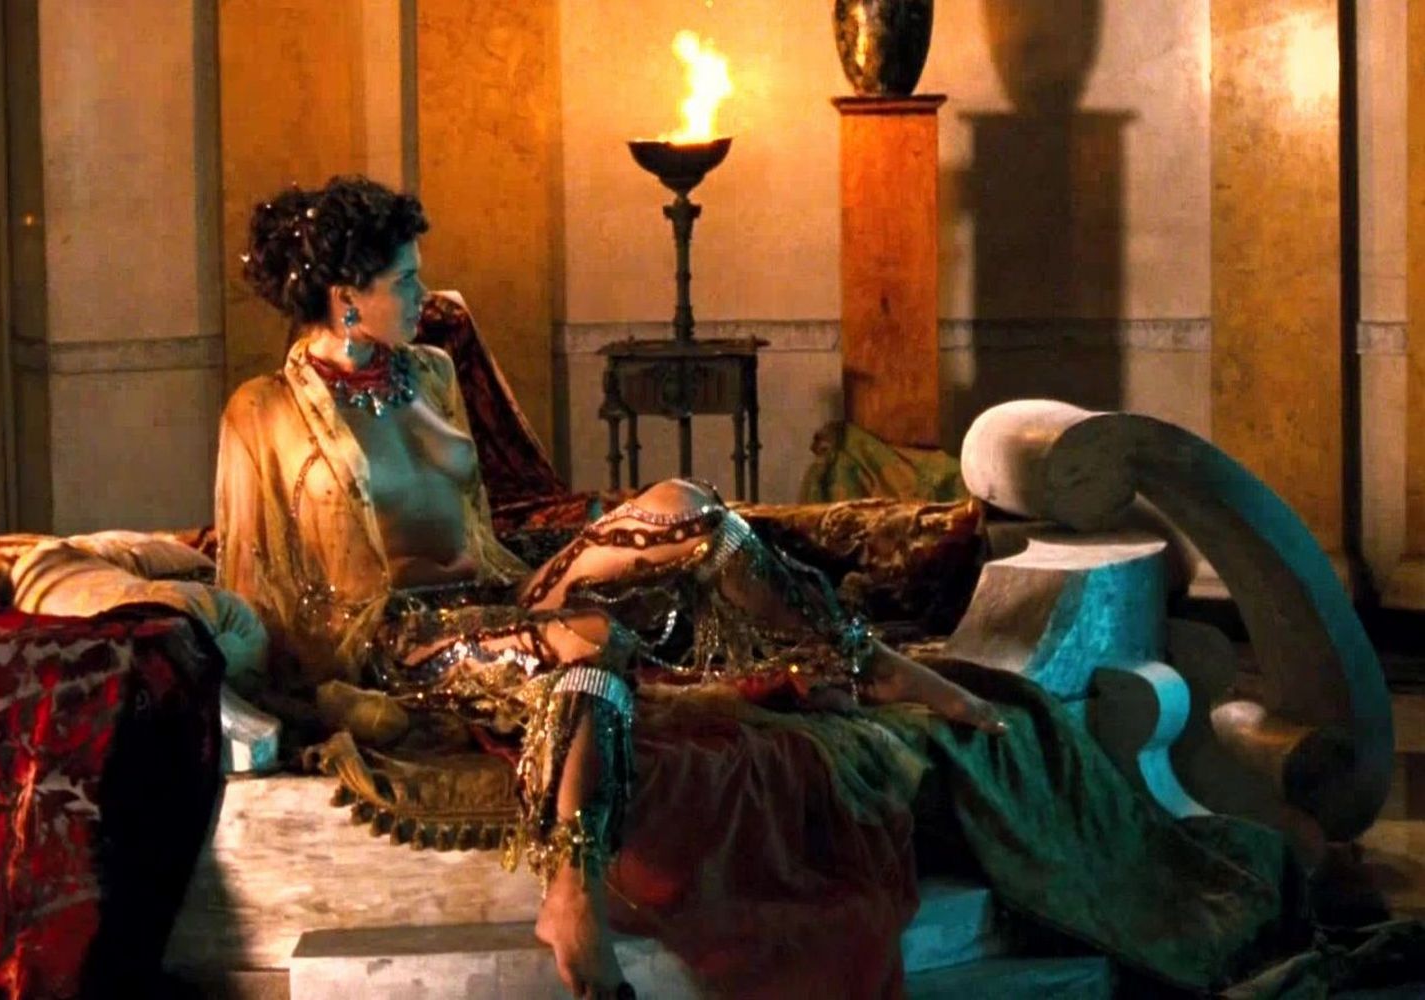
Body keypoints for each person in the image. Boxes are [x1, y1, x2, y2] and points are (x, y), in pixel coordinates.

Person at [215, 175, 1005, 998]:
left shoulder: (433, 372)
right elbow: (253, 572)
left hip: (501, 593)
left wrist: (549, 572)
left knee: (686, 507)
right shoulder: (265, 411)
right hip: (398, 642)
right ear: (347, 297)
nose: (423, 294)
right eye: (404, 279)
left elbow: (480, 522)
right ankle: (572, 894)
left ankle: (863, 661)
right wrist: (276, 695)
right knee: (594, 642)